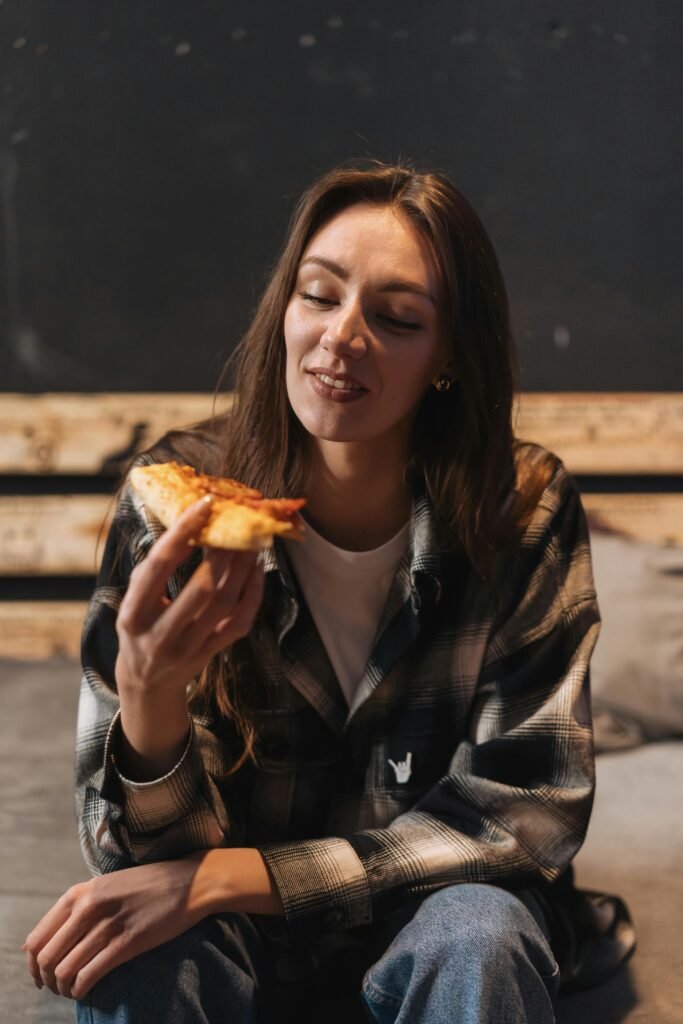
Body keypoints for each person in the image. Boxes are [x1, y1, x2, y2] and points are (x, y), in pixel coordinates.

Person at [23, 161, 632, 1023]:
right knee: (136, 955)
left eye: (394, 318)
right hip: (231, 931)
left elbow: (527, 811)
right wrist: (150, 694)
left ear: (449, 354)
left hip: (428, 911)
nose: (341, 338)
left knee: (483, 936)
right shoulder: (176, 501)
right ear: (283, 307)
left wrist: (246, 875)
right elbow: (134, 856)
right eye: (318, 296)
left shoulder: (521, 509)